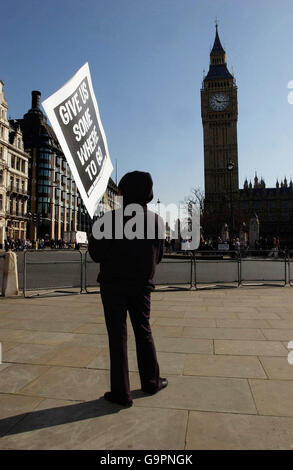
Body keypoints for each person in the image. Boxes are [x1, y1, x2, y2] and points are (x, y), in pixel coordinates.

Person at [88, 171, 167, 407]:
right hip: (142, 285)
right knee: (144, 331)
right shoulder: (157, 221)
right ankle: (151, 381)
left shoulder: (109, 220)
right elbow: (159, 256)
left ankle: (121, 393)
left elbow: (96, 254)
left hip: (113, 286)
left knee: (117, 337)